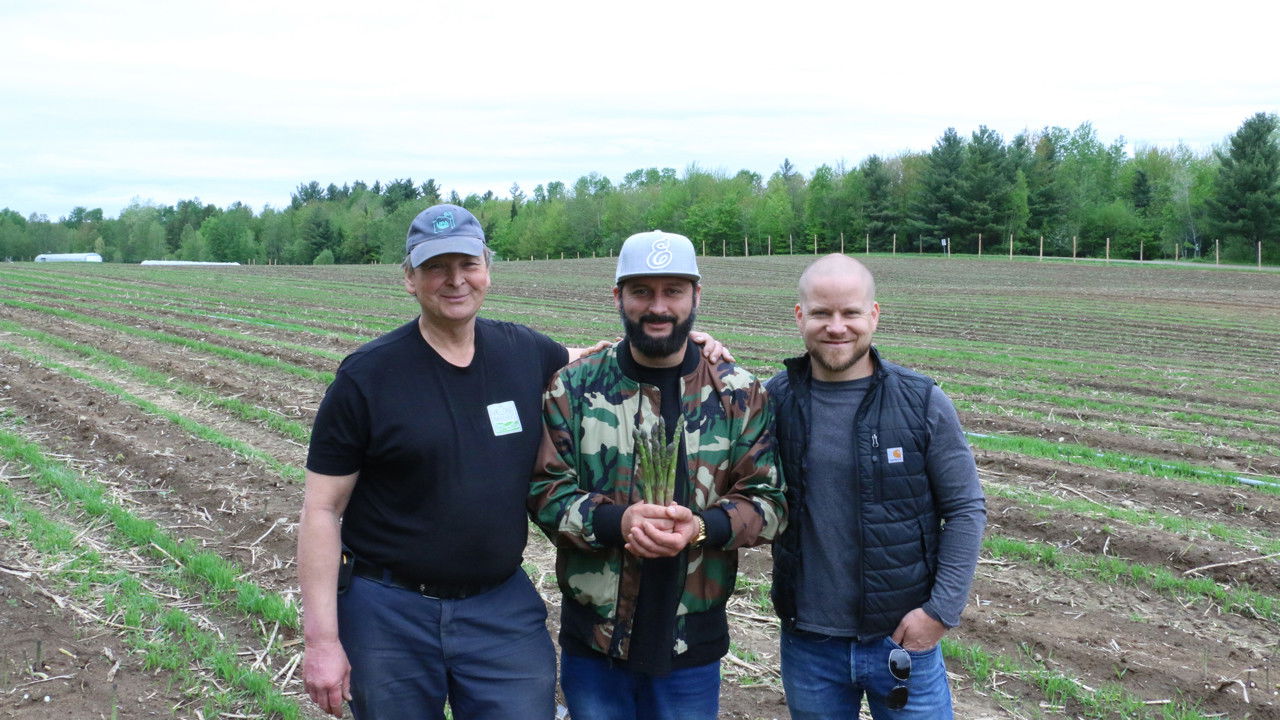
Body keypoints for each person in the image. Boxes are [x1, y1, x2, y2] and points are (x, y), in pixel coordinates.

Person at [297, 205, 729, 720]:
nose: (454, 280)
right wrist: (322, 640)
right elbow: (321, 511)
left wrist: (694, 347)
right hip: (390, 611)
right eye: (436, 267)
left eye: (467, 264)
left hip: (498, 607)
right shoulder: (367, 377)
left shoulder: (524, 351)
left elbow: (612, 356)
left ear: (486, 269)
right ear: (409, 278)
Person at [529, 230, 787, 720]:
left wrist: (704, 528)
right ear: (618, 297)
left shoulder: (739, 393)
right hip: (595, 644)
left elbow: (769, 500)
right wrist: (617, 523)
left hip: (692, 646)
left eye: (673, 290)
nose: (658, 306)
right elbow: (545, 492)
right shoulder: (576, 388)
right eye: (642, 291)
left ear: (696, 296)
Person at [765, 253, 986, 719]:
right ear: (800, 316)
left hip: (903, 639)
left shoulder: (921, 401)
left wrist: (940, 614)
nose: (837, 326)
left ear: (875, 315)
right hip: (809, 643)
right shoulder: (774, 401)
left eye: (851, 313)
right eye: (822, 313)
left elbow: (966, 509)